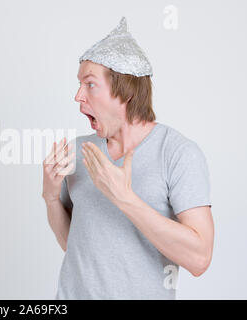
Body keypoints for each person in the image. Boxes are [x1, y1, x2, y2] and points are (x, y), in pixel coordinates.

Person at [42, 17, 214, 299]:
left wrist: (125, 198)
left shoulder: (178, 154)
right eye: (79, 84)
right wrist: (50, 198)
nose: (77, 96)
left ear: (126, 91)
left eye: (90, 84)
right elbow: (74, 246)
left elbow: (199, 259)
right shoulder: (79, 152)